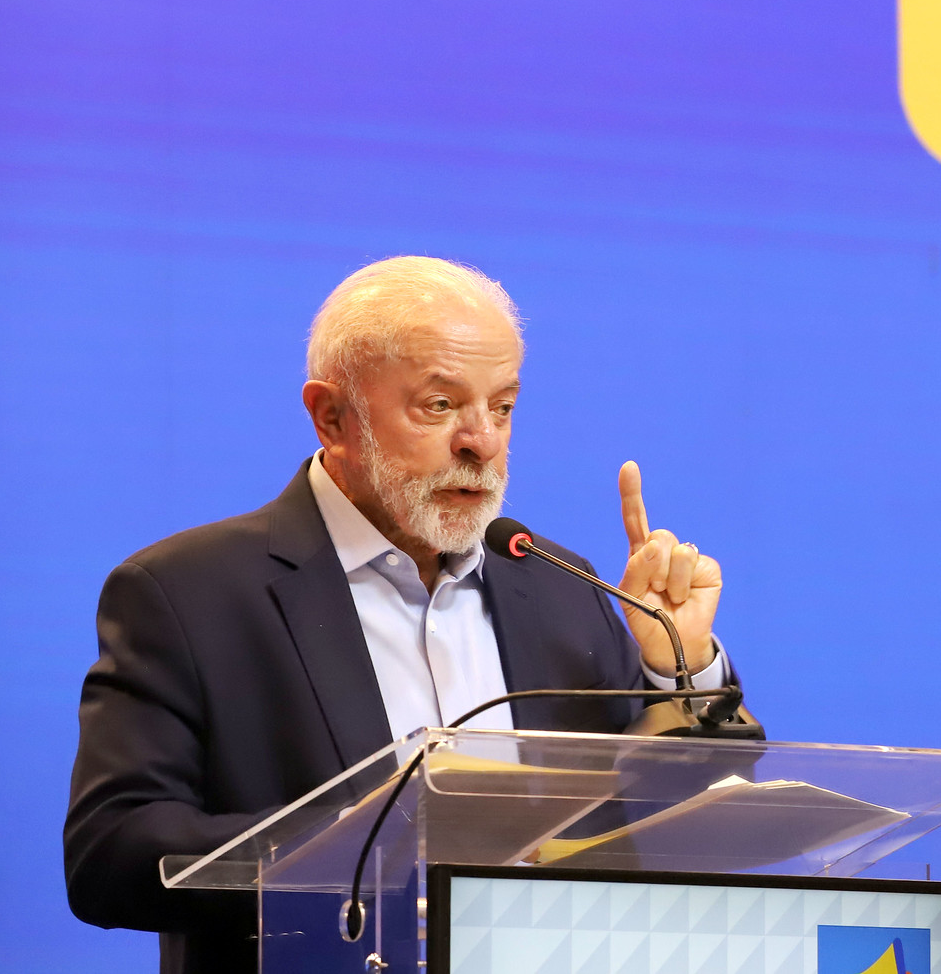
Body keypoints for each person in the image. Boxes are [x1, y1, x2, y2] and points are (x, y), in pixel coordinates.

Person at [63, 257, 736, 974]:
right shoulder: (188, 593)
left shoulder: (557, 583)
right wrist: (377, 841)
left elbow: (674, 826)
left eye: (502, 406)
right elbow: (112, 854)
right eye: (439, 405)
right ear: (332, 416)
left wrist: (678, 665)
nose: (482, 441)